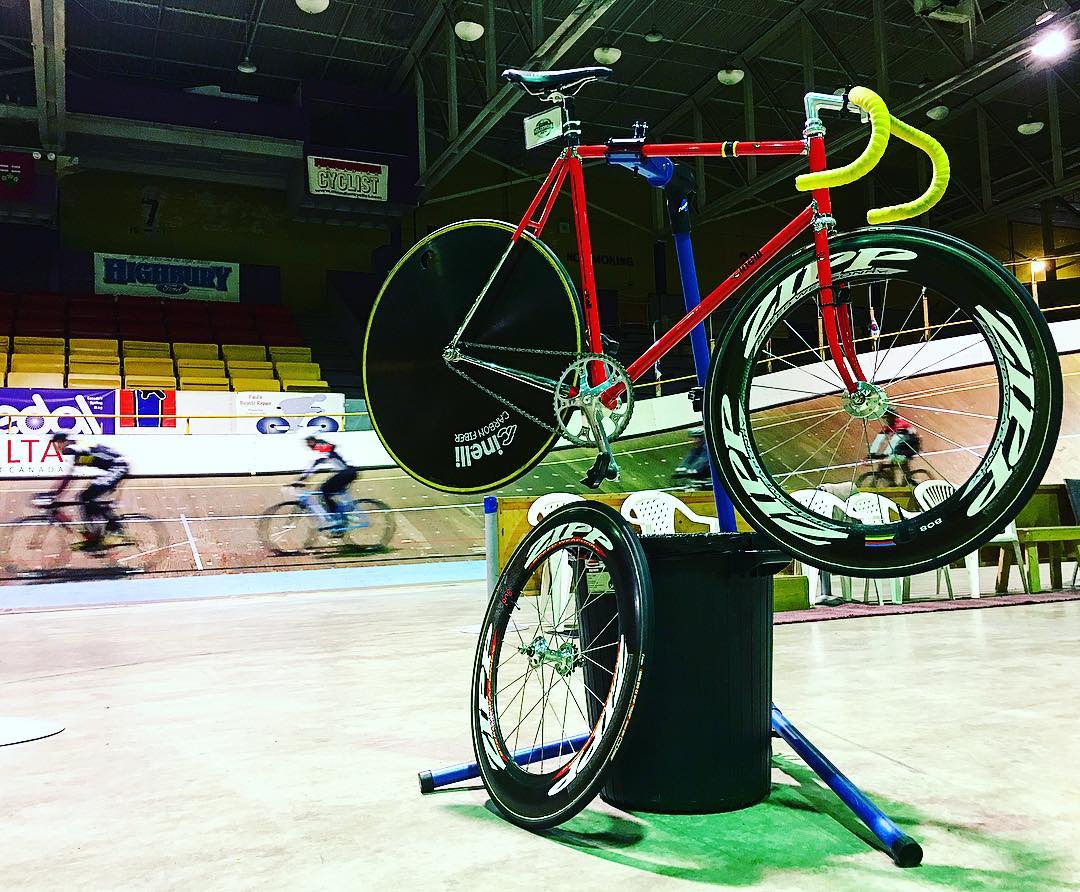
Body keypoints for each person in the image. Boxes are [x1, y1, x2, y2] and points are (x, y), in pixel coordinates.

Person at [48, 432, 130, 548]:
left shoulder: (72, 449)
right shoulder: (77, 447)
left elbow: (68, 477)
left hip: (118, 467)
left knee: (86, 497)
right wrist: (57, 493)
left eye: (58, 444)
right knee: (85, 498)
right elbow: (70, 477)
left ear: (64, 442)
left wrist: (55, 494)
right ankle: (95, 534)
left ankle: (117, 531)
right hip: (115, 466)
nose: (57, 447)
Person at [297, 434, 358, 535]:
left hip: (346, 473)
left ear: (312, 440)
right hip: (348, 472)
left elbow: (316, 463)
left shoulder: (322, 446)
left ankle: (338, 521)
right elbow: (319, 462)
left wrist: (302, 478)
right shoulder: (324, 445)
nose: (308, 445)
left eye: (308, 442)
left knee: (324, 490)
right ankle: (342, 517)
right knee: (327, 493)